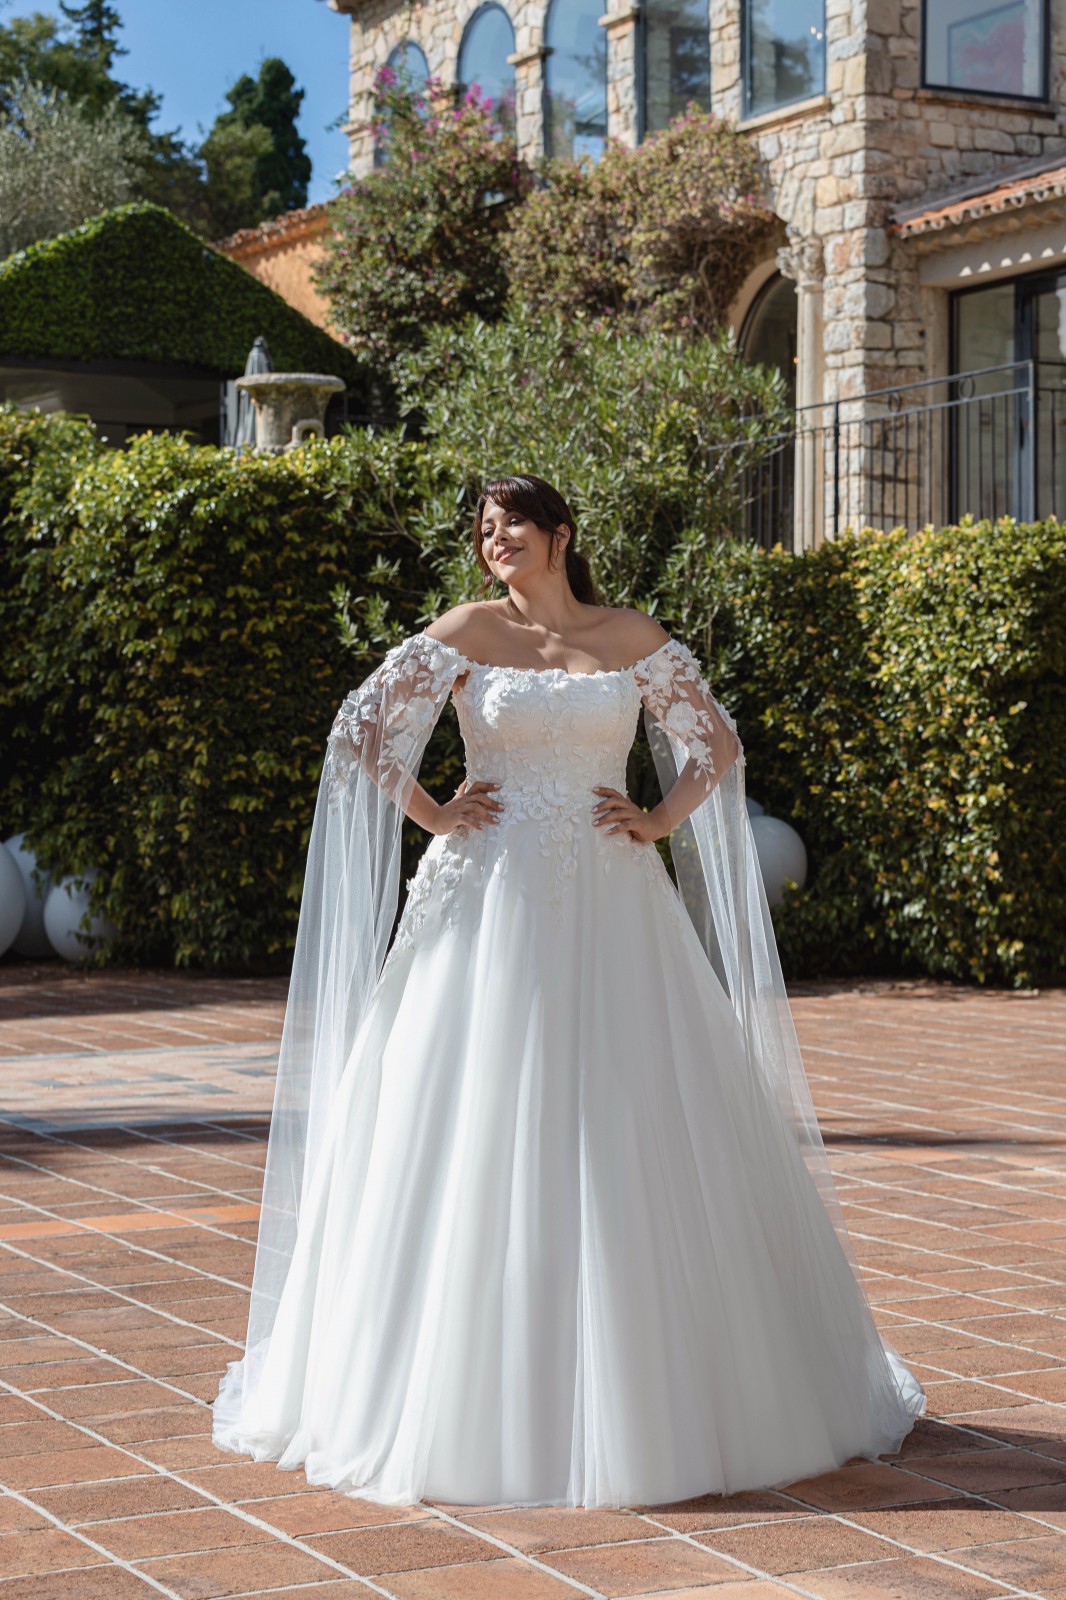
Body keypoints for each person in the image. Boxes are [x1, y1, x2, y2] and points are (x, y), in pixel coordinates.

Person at [212, 472, 924, 1508]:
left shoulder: (628, 634)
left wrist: (655, 820)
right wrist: (431, 812)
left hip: (612, 906)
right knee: (471, 1116)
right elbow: (360, 731)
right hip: (483, 905)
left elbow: (714, 745)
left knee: (625, 1115)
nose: (493, 538)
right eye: (482, 527)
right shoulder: (462, 631)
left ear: (560, 533)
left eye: (511, 524)